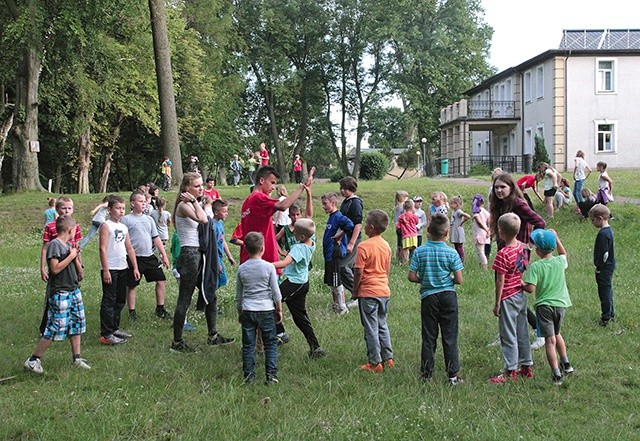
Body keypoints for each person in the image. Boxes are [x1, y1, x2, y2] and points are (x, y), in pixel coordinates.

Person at [170, 173, 234, 352]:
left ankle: (213, 335)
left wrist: (196, 200)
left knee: (210, 293)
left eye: (201, 185)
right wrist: (195, 201)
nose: (201, 189)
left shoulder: (190, 203)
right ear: (186, 188)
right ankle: (176, 343)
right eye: (197, 186)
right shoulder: (184, 205)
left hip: (199, 254)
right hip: (190, 255)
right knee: (185, 298)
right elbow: (204, 219)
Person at [24, 216, 90, 374]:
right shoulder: (55, 245)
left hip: (73, 288)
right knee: (57, 326)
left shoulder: (69, 246)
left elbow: (80, 273)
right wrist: (71, 256)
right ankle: (33, 360)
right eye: (75, 229)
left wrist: (76, 261)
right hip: (60, 291)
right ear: (70, 230)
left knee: (77, 323)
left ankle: (77, 358)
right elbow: (55, 269)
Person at [489, 172, 546, 350]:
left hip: (516, 257)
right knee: (505, 295)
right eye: (496, 187)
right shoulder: (499, 204)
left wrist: (528, 244)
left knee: (513, 295)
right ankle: (506, 333)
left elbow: (540, 222)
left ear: (511, 188)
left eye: (502, 187)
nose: (499, 190)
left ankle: (540, 331)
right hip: (503, 254)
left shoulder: (517, 203)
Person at [408, 213, 464, 385]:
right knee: (450, 336)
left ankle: (426, 374)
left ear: (428, 231)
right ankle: (453, 376)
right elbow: (459, 279)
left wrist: (424, 280)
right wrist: (448, 280)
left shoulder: (419, 251)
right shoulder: (451, 252)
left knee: (429, 336)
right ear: (447, 232)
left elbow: (411, 276)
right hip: (448, 296)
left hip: (428, 297)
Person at [523, 229, 574, 385]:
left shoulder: (536, 266)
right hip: (560, 305)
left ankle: (556, 374)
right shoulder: (560, 262)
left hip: (544, 307)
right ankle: (566, 364)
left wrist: (520, 283)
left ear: (537, 250)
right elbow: (563, 253)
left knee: (549, 340)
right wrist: (557, 237)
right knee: (557, 333)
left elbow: (531, 288)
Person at [488, 213, 533, 383]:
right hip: (520, 294)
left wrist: (497, 303)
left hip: (507, 296)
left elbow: (500, 280)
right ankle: (526, 366)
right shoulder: (522, 247)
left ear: (500, 231)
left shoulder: (503, 254)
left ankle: (510, 370)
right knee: (522, 331)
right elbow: (524, 266)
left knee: (508, 334)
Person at [239, 166, 313, 266]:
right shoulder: (258, 198)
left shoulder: (247, 201)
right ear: (261, 180)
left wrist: (278, 250)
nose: (273, 187)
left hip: (249, 260)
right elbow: (283, 206)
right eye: (272, 183)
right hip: (264, 262)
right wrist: (302, 187)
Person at [272, 218, 325, 359]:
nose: (292, 231)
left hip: (294, 284)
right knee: (300, 317)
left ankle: (280, 334)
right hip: (301, 282)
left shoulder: (299, 248)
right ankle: (316, 348)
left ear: (301, 236)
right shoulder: (311, 241)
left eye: (294, 230)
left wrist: (265, 264)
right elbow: (309, 226)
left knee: (271, 302)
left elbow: (284, 263)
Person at [236, 232, 282, 384]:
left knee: (248, 345)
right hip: (266, 309)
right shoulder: (269, 267)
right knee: (270, 343)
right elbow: (276, 292)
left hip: (248, 309)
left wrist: (239, 311)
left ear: (246, 249)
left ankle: (249, 377)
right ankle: (271, 375)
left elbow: (239, 294)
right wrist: (279, 309)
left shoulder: (242, 268)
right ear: (262, 248)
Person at [122, 190, 172, 321]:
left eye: (144, 201)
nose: (143, 204)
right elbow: (122, 241)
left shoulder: (149, 219)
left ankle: (160, 308)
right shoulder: (126, 220)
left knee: (161, 280)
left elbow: (155, 238)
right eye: (140, 201)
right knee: (132, 285)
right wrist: (125, 259)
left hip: (149, 256)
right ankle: (132, 312)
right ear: (132, 203)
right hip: (134, 258)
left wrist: (164, 255)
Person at [354, 209, 394, 373]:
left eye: (365, 223)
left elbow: (358, 272)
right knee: (382, 324)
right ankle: (388, 358)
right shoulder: (386, 245)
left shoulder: (363, 246)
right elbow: (387, 269)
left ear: (370, 227)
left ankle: (375, 362)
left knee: (370, 327)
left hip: (368, 292)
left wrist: (355, 290)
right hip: (383, 290)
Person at [99, 195, 140, 345]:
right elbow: (102, 248)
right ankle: (106, 334)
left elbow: (129, 247)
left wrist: (135, 266)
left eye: (123, 208)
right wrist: (106, 270)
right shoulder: (106, 225)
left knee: (120, 299)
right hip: (111, 267)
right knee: (109, 300)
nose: (121, 211)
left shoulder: (123, 227)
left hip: (123, 266)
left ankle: (114, 328)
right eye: (118, 208)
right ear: (110, 209)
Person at [322, 192, 354, 315]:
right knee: (331, 281)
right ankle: (335, 304)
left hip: (335, 254)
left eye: (325, 204)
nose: (324, 207)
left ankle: (342, 307)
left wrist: (340, 235)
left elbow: (350, 225)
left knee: (337, 281)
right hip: (329, 255)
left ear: (333, 203)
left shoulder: (339, 216)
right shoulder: (331, 217)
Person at [40, 197, 83, 283]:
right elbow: (45, 249)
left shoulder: (75, 226)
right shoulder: (50, 226)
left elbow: (77, 248)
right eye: (64, 208)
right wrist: (42, 269)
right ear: (57, 209)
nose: (67, 211)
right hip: (57, 261)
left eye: (69, 208)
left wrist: (80, 267)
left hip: (72, 262)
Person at [589, 204, 616, 326]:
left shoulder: (603, 234)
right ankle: (611, 313)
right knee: (608, 290)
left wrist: (599, 267)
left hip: (604, 268)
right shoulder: (609, 231)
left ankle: (605, 317)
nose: (592, 223)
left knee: (604, 291)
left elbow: (604, 254)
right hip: (610, 266)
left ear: (600, 218)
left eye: (593, 220)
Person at [339, 176, 363, 307]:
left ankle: (359, 294)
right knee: (352, 268)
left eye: (345, 188)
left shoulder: (355, 202)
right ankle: (357, 297)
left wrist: (352, 243)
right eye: (341, 188)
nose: (342, 191)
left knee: (343, 267)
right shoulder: (346, 201)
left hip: (353, 238)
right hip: (344, 237)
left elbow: (358, 224)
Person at [212, 199, 236, 291]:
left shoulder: (220, 223)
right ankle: (208, 300)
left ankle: (210, 299)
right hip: (215, 257)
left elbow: (223, 240)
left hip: (220, 256)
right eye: (224, 211)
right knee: (217, 280)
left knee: (222, 280)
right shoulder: (213, 226)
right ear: (216, 212)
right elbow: (212, 246)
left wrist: (229, 256)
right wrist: (217, 263)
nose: (227, 214)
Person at [471, 194, 491, 270]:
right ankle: (482, 265)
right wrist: (488, 230)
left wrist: (486, 229)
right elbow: (489, 222)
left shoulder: (476, 212)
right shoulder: (486, 212)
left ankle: (484, 267)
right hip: (485, 233)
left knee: (480, 252)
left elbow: (479, 222)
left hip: (479, 233)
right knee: (482, 251)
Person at [449, 195, 471, 263]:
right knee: (456, 246)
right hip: (454, 230)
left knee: (459, 246)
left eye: (452, 203)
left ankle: (462, 260)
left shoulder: (459, 211)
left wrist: (462, 223)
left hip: (458, 231)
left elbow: (467, 216)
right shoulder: (454, 212)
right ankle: (458, 259)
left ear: (456, 204)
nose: (450, 205)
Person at [396, 198, 419, 264]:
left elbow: (398, 226)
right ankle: (414, 261)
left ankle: (405, 261)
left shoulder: (401, 216)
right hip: (414, 235)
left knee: (406, 249)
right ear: (412, 207)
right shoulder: (414, 216)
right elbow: (417, 222)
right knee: (414, 249)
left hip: (405, 235)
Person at [394, 190, 409, 262]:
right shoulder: (402, 207)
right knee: (403, 243)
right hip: (402, 227)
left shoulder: (398, 207)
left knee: (399, 242)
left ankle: (399, 257)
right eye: (406, 197)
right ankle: (403, 258)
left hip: (398, 227)